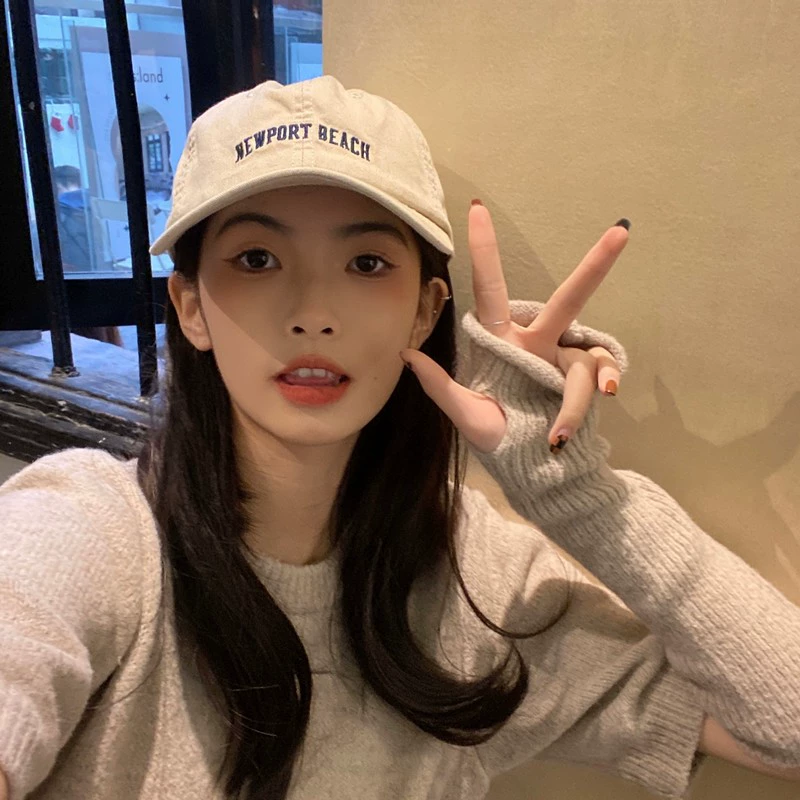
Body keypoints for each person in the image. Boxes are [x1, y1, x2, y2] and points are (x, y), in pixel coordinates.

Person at [0, 76, 798, 800]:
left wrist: (576, 491)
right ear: (191, 308)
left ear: (424, 312)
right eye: (257, 257)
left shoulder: (475, 578)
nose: (315, 313)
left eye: (367, 263)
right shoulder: (90, 532)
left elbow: (785, 729)